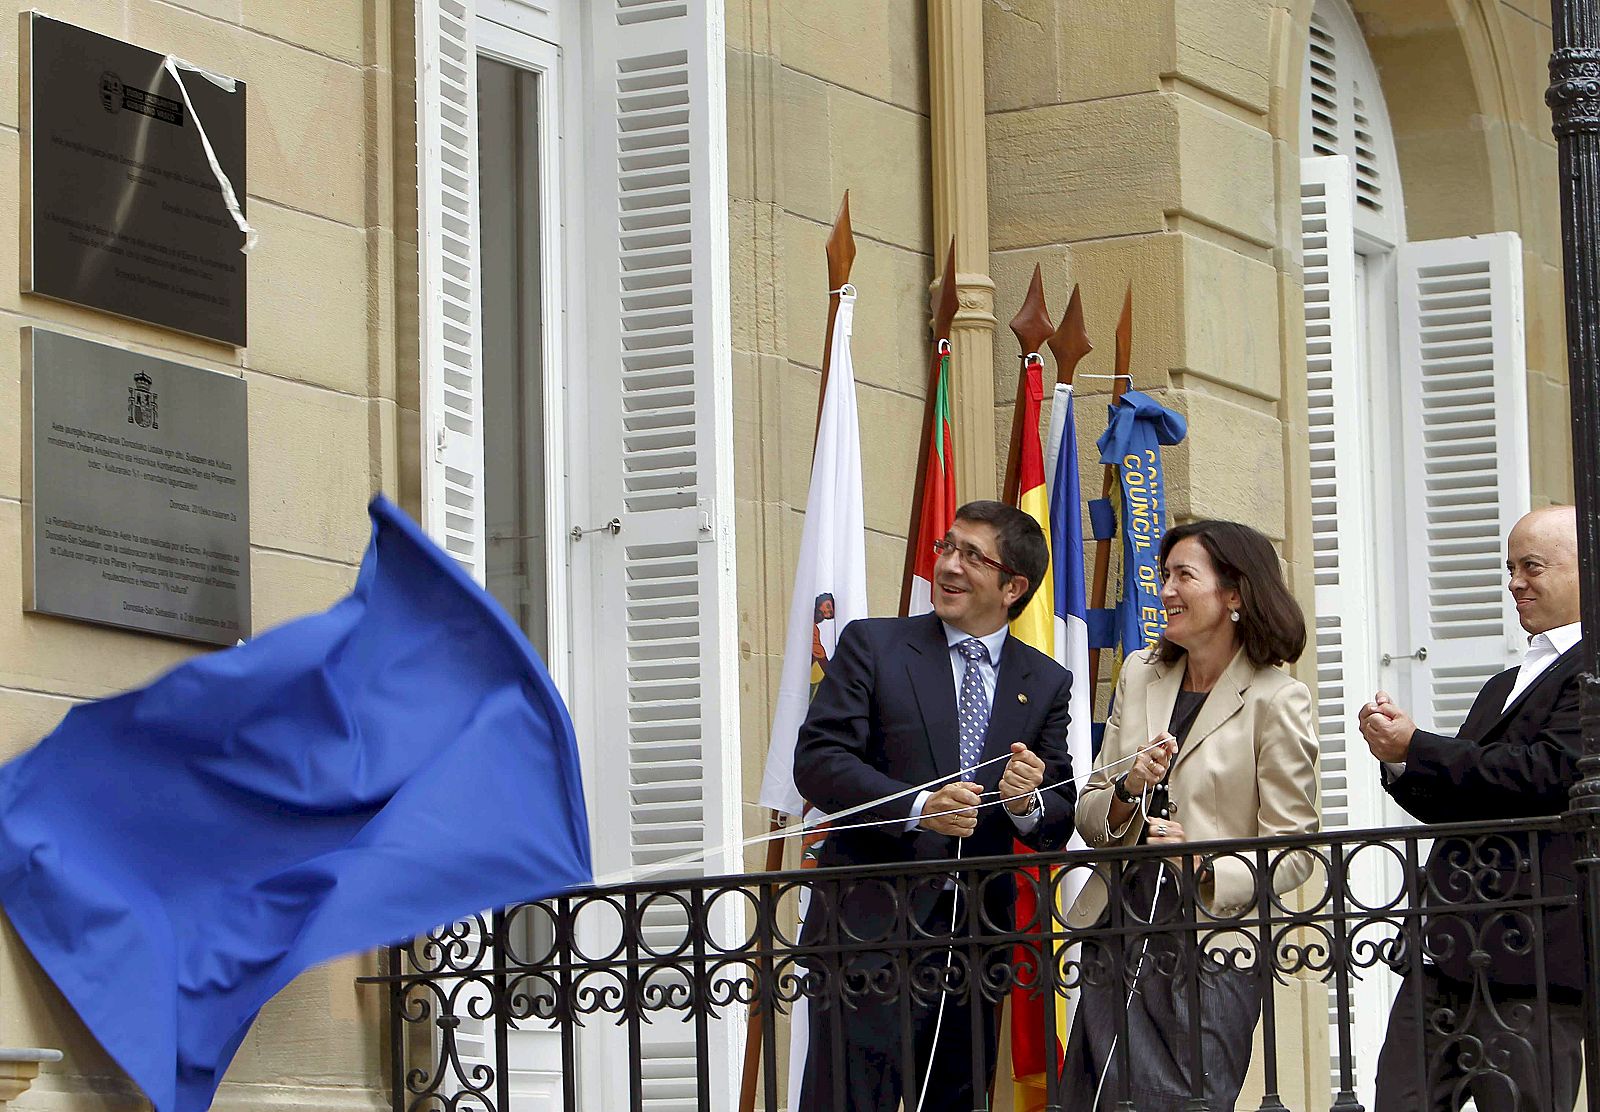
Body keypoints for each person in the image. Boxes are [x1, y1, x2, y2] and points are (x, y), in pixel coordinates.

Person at [792, 499, 1077, 1112]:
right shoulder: (874, 645)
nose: (948, 564)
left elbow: (1059, 815)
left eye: (971, 555)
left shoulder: (1046, 679)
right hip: (866, 930)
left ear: (1012, 587)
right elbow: (818, 762)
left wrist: (1027, 801)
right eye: (946, 547)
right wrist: (920, 808)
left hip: (976, 942)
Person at [1062, 519, 1318, 1112]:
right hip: (1119, 930)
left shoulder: (1278, 698)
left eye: (1184, 576)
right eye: (1163, 575)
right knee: (1093, 1100)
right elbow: (1091, 812)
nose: (1166, 590)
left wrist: (1203, 865)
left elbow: (1296, 848)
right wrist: (1128, 787)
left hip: (1211, 947)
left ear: (1234, 594)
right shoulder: (1138, 674)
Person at [1360, 504, 1585, 1112]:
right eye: (1510, 567)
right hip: (1448, 946)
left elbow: (1549, 774)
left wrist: (1423, 746)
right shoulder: (1503, 684)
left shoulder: (1589, 673)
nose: (1515, 582)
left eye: (1531, 566)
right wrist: (1400, 760)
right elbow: (1462, 801)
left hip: (1532, 956)